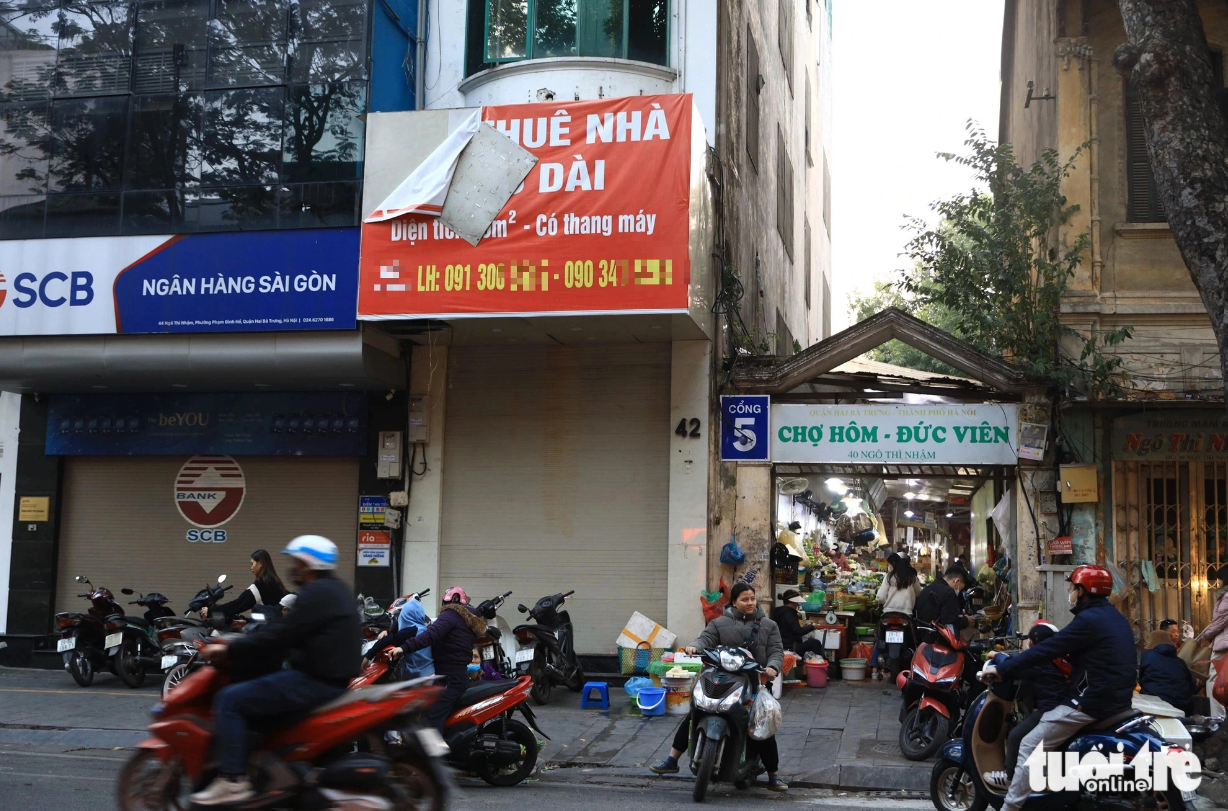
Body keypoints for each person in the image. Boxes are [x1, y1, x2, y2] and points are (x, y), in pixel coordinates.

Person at [189, 536, 360, 806]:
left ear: (309, 563)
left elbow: (282, 632)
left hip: (313, 680)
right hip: (328, 679)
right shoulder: (335, 589)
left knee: (230, 700)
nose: (293, 568)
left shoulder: (316, 593)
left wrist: (229, 649)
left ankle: (233, 781)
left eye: (297, 562)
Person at [981, 565, 1136, 811]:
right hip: (1117, 699)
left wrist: (1002, 669)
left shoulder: (1088, 620)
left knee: (1029, 744)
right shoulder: (1114, 617)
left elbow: (1046, 649)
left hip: (1091, 702)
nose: (1070, 593)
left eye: (1073, 588)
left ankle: (1010, 807)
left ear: (1083, 590)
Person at [649, 582, 789, 792]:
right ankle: (672, 760)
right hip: (721, 677)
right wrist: (693, 647)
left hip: (753, 680)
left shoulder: (769, 625)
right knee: (695, 712)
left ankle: (773, 775)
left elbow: (776, 650)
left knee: (761, 721)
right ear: (734, 602)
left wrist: (772, 667)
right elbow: (705, 639)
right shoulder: (719, 623)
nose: (750, 603)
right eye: (744, 599)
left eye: (752, 598)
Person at [980, 621, 1071, 790]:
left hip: (1049, 710)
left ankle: (1010, 777)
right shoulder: (1056, 658)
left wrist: (995, 655)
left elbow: (1014, 664)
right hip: (1062, 707)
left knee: (1016, 735)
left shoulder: (1039, 661)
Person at [391, 586, 487, 733]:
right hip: (453, 676)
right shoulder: (465, 619)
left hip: (451, 677)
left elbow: (430, 635)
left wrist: (404, 648)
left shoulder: (450, 615)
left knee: (431, 717)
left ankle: (437, 754)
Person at [202, 549, 289, 622]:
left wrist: (211, 611)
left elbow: (239, 604)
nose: (251, 567)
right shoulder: (274, 581)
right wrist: (246, 621)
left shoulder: (263, 583)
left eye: (252, 563)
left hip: (270, 631)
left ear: (260, 563)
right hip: (277, 626)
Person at [367, 597, 435, 681]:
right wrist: (388, 632)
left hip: (417, 677)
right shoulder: (423, 629)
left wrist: (368, 656)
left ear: (405, 616)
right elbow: (399, 635)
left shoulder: (412, 630)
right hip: (429, 672)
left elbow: (390, 639)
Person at [1139, 628, 1197, 713]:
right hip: (1182, 706)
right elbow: (1189, 682)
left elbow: (1141, 679)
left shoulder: (1148, 656)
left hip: (1155, 704)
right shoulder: (1179, 661)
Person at [1197, 565, 1228, 716]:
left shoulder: (1227, 596)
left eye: (1220, 579)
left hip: (1224, 645)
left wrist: (1205, 636)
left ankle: (1218, 719)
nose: (1218, 582)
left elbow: (1219, 622)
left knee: (1213, 681)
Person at [915, 565, 975, 632]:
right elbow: (949, 621)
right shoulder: (949, 592)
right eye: (961, 588)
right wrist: (966, 621)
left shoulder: (927, 589)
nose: (959, 591)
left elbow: (939, 614)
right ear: (957, 581)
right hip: (938, 637)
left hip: (923, 635)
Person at [772, 589, 823, 658]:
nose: (797, 605)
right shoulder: (789, 613)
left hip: (781, 645)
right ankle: (818, 663)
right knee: (815, 643)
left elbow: (789, 628)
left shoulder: (779, 611)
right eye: (796, 603)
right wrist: (812, 627)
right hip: (789, 647)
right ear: (792, 602)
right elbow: (798, 631)